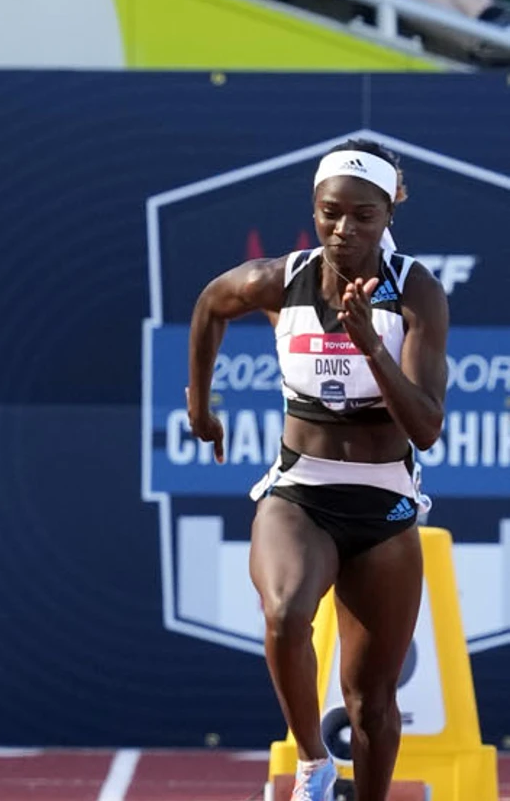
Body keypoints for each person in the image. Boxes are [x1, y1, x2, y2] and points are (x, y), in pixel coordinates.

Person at [185, 139, 448, 801]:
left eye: (364, 215)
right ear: (315, 208)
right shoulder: (283, 280)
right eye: (332, 212)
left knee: (371, 704)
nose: (344, 229)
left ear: (389, 213)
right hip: (302, 492)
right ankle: (312, 764)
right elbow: (212, 304)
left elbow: (426, 427)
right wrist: (199, 406)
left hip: (385, 508)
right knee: (284, 611)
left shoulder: (416, 292)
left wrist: (369, 345)